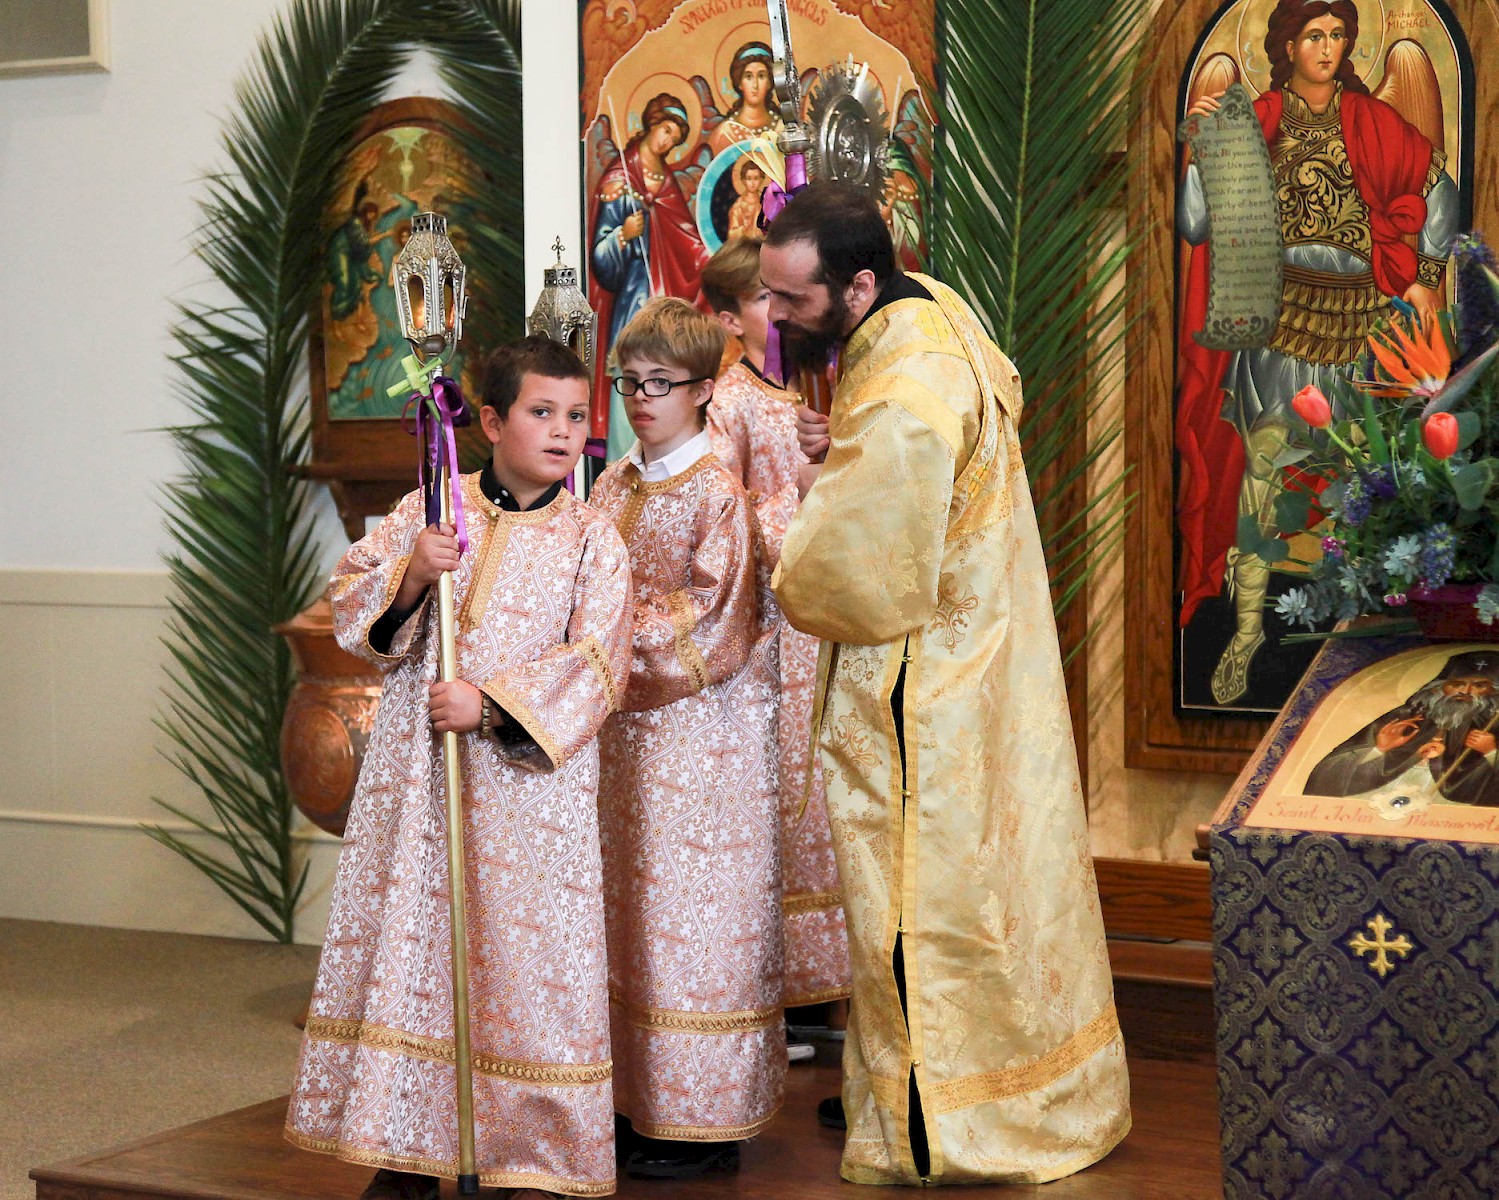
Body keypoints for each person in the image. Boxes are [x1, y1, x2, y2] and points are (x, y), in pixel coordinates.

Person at [760, 183, 1130, 1186]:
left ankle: (938, 1123)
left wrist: (798, 520)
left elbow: (859, 577)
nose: (775, 316)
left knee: (919, 906)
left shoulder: (902, 390)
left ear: (857, 286)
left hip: (919, 694)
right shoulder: (932, 310)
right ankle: (1018, 1093)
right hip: (985, 661)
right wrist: (845, 454)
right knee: (995, 889)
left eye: (792, 299)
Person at [285, 337, 635, 1200]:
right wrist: (411, 576)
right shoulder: (432, 509)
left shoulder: (593, 538)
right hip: (424, 785)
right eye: (540, 412)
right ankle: (406, 1147)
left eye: (576, 416)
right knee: (420, 949)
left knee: (528, 964)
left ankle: (534, 1156)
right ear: (490, 420)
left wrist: (493, 705)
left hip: (529, 794)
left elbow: (601, 661)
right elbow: (349, 604)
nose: (562, 431)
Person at [1176, 0, 1458, 704]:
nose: (1327, 48)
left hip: (1358, 323)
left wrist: (1425, 279)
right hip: (1280, 324)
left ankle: (1352, 650)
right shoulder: (1255, 120)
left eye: (1336, 35)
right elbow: (1194, 225)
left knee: (1357, 483)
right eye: (1312, 36)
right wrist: (1206, 152)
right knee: (1262, 481)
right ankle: (1246, 633)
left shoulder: (1373, 122)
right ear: (1286, 46)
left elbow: (1439, 196)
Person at [589, 297, 786, 1179]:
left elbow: (710, 624)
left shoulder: (718, 493)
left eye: (659, 384)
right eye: (628, 382)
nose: (640, 399)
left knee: (691, 925)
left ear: (704, 389)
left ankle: (705, 1125)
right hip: (619, 742)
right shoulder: (612, 484)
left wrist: (596, 640)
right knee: (629, 921)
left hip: (702, 748)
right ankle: (637, 1103)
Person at [701, 240, 853, 1029]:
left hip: (833, 622)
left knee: (833, 796)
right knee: (784, 798)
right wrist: (799, 501)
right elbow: (719, 514)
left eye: (787, 298)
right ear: (730, 320)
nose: (781, 314)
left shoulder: (822, 386)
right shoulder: (727, 404)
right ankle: (783, 991)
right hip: (770, 635)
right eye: (763, 300)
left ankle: (840, 987)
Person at [590, 93, 713, 461]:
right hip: (633, 299)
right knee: (632, 373)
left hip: (665, 299)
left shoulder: (667, 181)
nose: (667, 141)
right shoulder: (618, 180)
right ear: (650, 125)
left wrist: (708, 260)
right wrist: (623, 235)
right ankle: (623, 462)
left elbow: (684, 236)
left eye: (675, 137)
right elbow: (601, 259)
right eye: (665, 130)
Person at [1306, 651, 1499, 806]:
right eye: (1457, 684)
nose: (1466, 691)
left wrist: (1491, 752)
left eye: (1480, 685)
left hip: (1453, 810)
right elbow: (1327, 773)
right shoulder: (1407, 715)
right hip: (1376, 798)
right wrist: (1378, 749)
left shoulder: (1494, 725)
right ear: (1438, 688)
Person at [708, 42, 782, 155]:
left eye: (761, 76)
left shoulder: (781, 129)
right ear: (739, 83)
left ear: (770, 82)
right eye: (748, 76)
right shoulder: (724, 134)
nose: (755, 85)